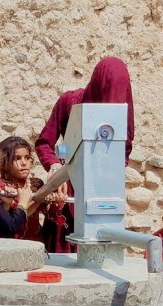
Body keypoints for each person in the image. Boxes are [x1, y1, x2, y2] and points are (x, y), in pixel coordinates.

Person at [35, 56, 134, 252]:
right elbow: (45, 143)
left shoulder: (122, 117)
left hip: (101, 195)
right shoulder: (70, 102)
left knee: (98, 252)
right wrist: (56, 166)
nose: (111, 97)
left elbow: (120, 157)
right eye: (107, 88)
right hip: (66, 192)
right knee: (62, 257)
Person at [0, 136, 65, 244]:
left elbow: (48, 214)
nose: (24, 163)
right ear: (5, 162)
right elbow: (18, 216)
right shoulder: (4, 187)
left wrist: (55, 201)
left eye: (27, 157)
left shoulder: (36, 184)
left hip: (36, 242)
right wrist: (39, 198)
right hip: (12, 243)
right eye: (17, 158)